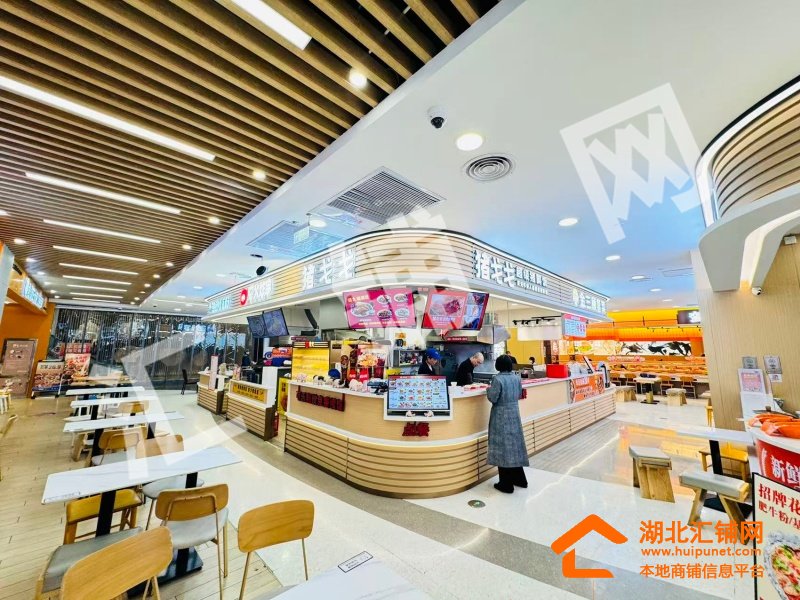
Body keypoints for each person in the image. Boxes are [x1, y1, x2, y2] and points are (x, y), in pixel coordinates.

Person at [486, 354, 529, 493]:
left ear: (498, 365)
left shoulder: (497, 379)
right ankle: (520, 479)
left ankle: (506, 484)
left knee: (502, 447)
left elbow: (493, 398)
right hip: (514, 413)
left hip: (501, 415)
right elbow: (519, 394)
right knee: (515, 445)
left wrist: (488, 390)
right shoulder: (516, 378)